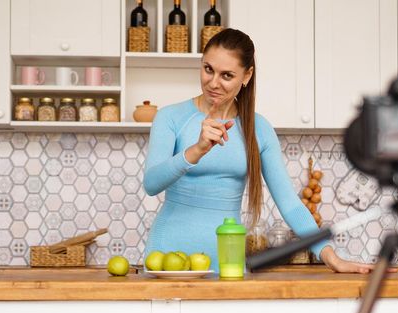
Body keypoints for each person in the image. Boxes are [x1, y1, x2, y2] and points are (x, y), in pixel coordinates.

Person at [143, 28, 374, 273]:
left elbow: (291, 205)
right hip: (165, 257)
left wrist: (332, 257)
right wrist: (196, 150)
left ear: (246, 75)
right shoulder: (170, 117)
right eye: (208, 69)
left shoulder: (259, 129)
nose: (213, 83)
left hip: (227, 262)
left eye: (227, 75)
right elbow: (151, 183)